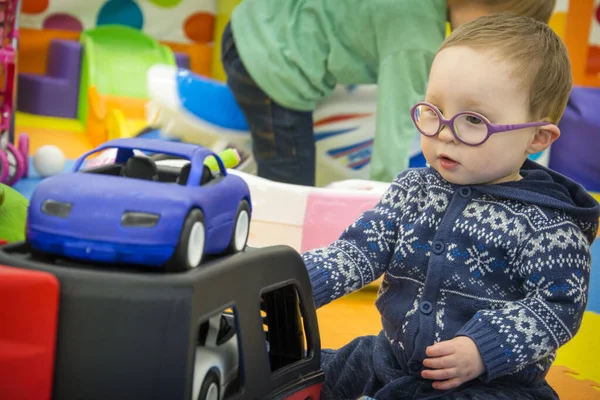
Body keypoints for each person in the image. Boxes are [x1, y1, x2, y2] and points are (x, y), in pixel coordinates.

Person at [300, 14, 600, 400]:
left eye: (473, 120)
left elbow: (556, 307)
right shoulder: (413, 189)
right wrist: (297, 282)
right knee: (314, 366)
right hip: (391, 359)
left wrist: (484, 348)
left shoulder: (550, 226)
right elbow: (361, 249)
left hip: (491, 383)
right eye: (434, 110)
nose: (443, 132)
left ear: (536, 138)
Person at [220, 0, 557, 187]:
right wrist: (387, 194)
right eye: (493, 29)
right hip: (269, 54)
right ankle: (272, 253)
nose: (488, 41)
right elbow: (396, 123)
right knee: (290, 179)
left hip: (257, 19)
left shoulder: (418, 21)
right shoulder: (415, 39)